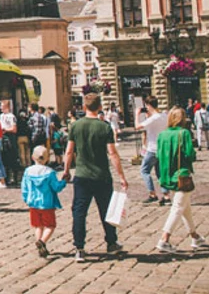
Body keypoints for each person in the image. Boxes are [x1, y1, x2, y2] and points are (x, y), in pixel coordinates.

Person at [62, 93, 129, 263]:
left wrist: (66, 170)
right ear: (99, 107)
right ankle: (111, 242)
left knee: (79, 212)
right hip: (102, 176)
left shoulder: (75, 126)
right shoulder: (104, 127)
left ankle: (79, 247)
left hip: (82, 175)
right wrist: (121, 176)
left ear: (84, 107)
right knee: (106, 211)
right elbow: (112, 153)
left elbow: (69, 151)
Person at [155, 107, 207, 253]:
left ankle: (195, 236)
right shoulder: (183, 133)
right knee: (178, 207)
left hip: (167, 176)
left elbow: (158, 156)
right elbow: (190, 154)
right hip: (181, 175)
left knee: (185, 207)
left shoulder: (162, 135)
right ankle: (164, 239)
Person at [22, 145, 67, 258]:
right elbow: (56, 187)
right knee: (50, 226)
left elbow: (24, 187)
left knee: (38, 226)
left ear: (32, 157)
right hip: (47, 204)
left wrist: (26, 198)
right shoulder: (50, 172)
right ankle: (42, 241)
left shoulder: (28, 171)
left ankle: (40, 246)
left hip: (33, 203)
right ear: (47, 159)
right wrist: (63, 182)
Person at [135, 96, 170, 205]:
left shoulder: (153, 118)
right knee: (160, 173)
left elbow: (137, 127)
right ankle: (166, 195)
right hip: (162, 148)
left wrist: (137, 114)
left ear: (148, 105)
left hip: (152, 148)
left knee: (144, 171)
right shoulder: (164, 116)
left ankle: (152, 194)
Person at [0, 101, 19, 186]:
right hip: (3, 138)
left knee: (12, 158)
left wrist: (5, 130)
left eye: (2, 106)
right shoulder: (1, 116)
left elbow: (14, 129)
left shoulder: (11, 116)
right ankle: (6, 178)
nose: (0, 107)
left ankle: (15, 177)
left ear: (6, 107)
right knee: (4, 159)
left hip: (9, 138)